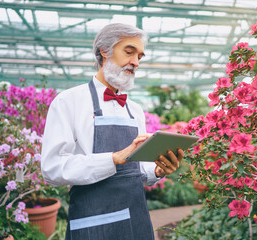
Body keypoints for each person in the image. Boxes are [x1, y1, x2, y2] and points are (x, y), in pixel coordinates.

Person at [41, 23, 184, 240]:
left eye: (140, 56)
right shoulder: (68, 102)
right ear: (104, 51)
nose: (135, 62)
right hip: (94, 224)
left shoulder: (134, 110)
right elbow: (52, 169)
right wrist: (114, 158)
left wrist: (158, 171)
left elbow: (139, 169)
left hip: (137, 221)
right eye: (129, 52)